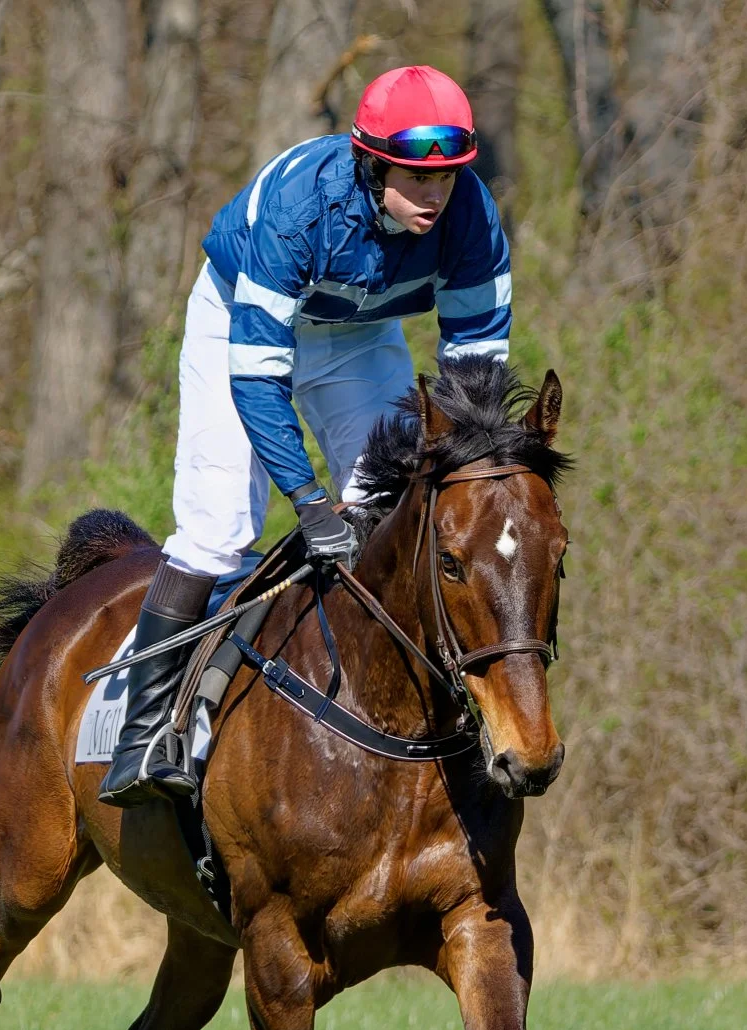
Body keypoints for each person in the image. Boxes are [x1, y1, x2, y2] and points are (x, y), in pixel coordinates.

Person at [98, 65, 512, 806]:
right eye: (415, 179)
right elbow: (258, 379)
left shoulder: (472, 217)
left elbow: (474, 373)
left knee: (393, 512)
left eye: (446, 179)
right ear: (369, 162)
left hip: (359, 336)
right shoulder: (299, 209)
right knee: (222, 527)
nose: (435, 197)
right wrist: (312, 502)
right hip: (241, 320)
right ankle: (145, 730)